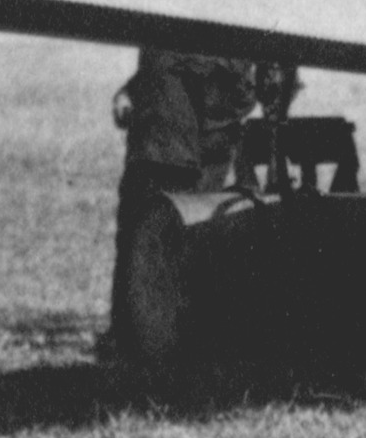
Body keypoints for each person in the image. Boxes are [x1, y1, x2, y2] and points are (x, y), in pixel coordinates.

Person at [104, 49, 260, 360]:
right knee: (156, 235)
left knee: (164, 237)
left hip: (180, 134)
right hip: (171, 132)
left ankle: (149, 340)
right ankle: (139, 339)